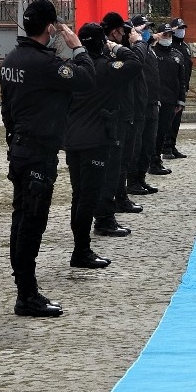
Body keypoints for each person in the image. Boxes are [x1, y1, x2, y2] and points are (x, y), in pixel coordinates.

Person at [0, 0, 95, 317]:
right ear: (51, 27)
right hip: (38, 151)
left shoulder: (11, 59)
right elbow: (86, 80)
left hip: (21, 148)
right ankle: (26, 295)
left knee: (20, 218)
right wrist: (78, 46)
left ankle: (24, 288)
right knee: (32, 221)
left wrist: (14, 139)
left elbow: (6, 110)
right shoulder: (45, 63)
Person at [64, 23, 126, 264]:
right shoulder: (105, 67)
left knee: (78, 196)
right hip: (95, 139)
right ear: (102, 43)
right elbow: (134, 63)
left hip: (73, 139)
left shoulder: (71, 67)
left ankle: (81, 248)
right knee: (88, 197)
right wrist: (117, 48)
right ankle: (81, 251)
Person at [95, 12, 144, 220]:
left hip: (125, 110)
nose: (126, 35)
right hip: (117, 112)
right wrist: (135, 45)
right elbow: (136, 64)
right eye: (123, 31)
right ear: (115, 32)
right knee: (115, 163)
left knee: (123, 159)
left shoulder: (117, 51)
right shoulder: (112, 53)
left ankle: (120, 197)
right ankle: (112, 205)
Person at [126, 15, 162, 193]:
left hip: (152, 102)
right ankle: (132, 181)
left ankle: (141, 178)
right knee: (136, 146)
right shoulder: (131, 50)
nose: (147, 31)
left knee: (148, 145)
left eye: (148, 28)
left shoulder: (149, 48)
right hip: (138, 105)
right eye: (143, 28)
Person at [150, 23, 187, 174]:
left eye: (170, 35)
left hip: (170, 100)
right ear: (158, 36)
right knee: (152, 133)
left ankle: (156, 161)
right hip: (154, 99)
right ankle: (149, 161)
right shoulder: (151, 52)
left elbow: (181, 79)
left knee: (162, 132)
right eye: (165, 35)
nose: (168, 38)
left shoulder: (176, 55)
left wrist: (181, 99)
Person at [163, 17, 193, 159]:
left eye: (183, 28)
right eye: (179, 28)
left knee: (177, 120)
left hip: (182, 87)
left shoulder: (185, 47)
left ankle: (172, 145)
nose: (182, 31)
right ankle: (166, 147)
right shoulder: (169, 46)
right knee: (168, 119)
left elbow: (188, 67)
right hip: (170, 89)